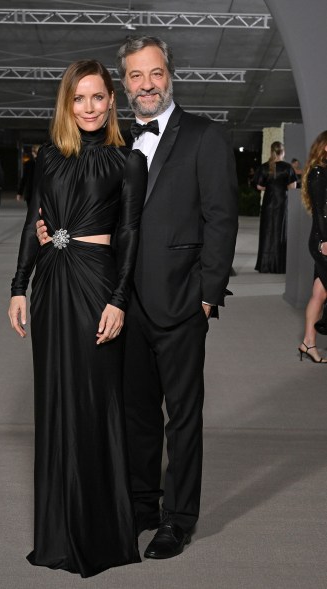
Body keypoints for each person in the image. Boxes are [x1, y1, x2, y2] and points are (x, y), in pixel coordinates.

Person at [37, 36, 238, 560]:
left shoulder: (204, 136)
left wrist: (207, 295)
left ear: (169, 74)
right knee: (137, 415)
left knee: (184, 416)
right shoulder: (119, 143)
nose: (145, 84)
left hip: (180, 300)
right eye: (134, 76)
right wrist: (51, 231)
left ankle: (179, 517)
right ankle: (143, 504)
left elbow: (222, 218)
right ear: (123, 83)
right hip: (120, 300)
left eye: (154, 73)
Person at [8, 60, 148, 577]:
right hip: (52, 286)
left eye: (97, 97)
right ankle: (59, 529)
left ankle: (101, 531)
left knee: (96, 402)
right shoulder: (46, 158)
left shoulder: (128, 161)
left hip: (96, 286)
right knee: (57, 403)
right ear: (67, 105)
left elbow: (130, 235)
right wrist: (20, 286)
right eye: (78, 99)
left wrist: (118, 299)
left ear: (112, 100)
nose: (88, 107)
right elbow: (32, 223)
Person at [298, 131, 327, 363]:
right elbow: (321, 212)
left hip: (322, 240)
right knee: (321, 293)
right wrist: (325, 241)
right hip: (322, 241)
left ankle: (308, 343)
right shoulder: (319, 172)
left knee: (319, 293)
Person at [254, 141, 297, 273]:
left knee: (267, 231)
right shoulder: (287, 167)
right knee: (280, 231)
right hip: (281, 202)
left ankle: (265, 265)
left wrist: (271, 186)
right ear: (282, 152)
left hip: (268, 202)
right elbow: (293, 187)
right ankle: (278, 266)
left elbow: (259, 186)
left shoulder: (264, 167)